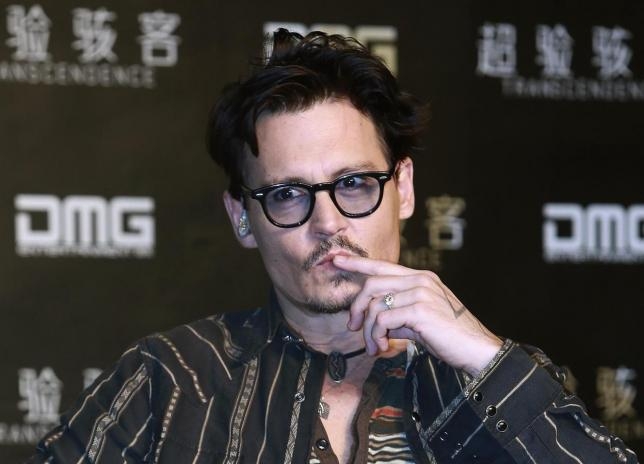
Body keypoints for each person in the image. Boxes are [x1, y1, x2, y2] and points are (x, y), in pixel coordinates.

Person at [30, 29, 637, 464]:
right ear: (243, 218)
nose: (328, 222)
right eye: (288, 195)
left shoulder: (497, 375)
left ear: (402, 189)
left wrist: (482, 357)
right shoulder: (170, 379)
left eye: (352, 184)